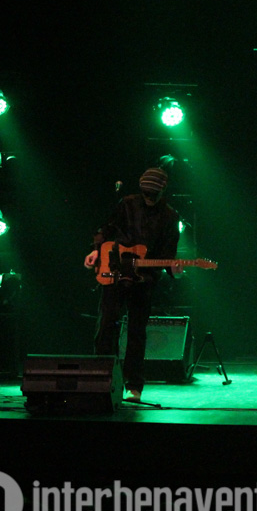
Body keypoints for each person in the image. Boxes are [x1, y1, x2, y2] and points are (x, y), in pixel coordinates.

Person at [83, 167, 181, 401]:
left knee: (137, 332)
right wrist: (96, 251)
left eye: (153, 194)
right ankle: (102, 379)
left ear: (162, 190)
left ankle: (134, 386)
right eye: (146, 192)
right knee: (106, 327)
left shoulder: (170, 216)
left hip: (143, 280)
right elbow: (105, 229)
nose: (149, 198)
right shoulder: (127, 204)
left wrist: (174, 269)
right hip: (114, 271)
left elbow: (168, 254)